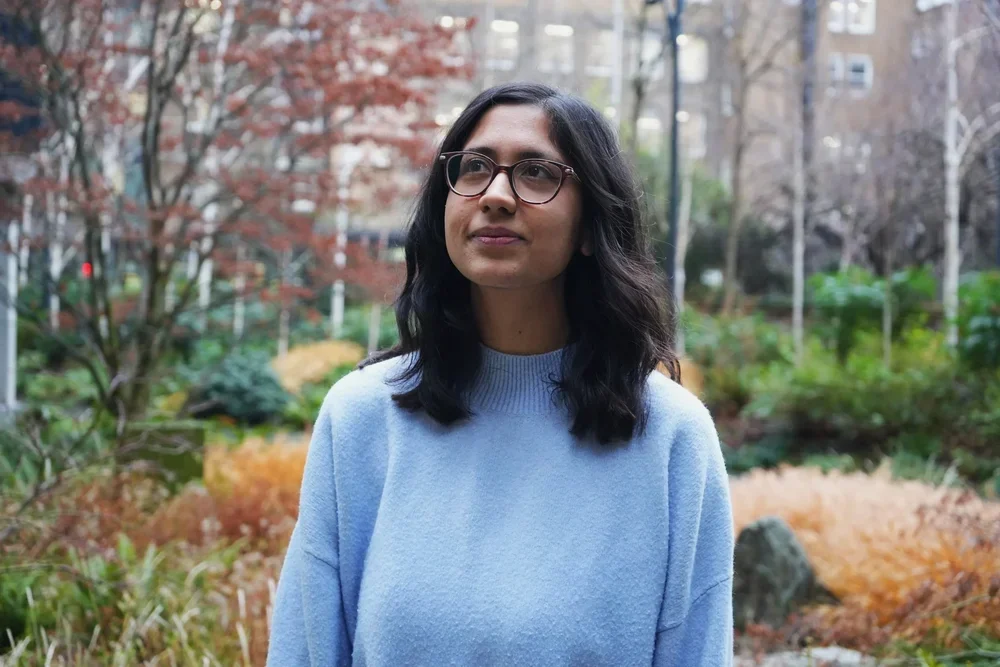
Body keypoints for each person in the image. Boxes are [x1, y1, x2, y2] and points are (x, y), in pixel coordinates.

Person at [267, 82, 734, 666]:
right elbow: (304, 651)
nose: (496, 194)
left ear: (591, 225)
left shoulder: (670, 437)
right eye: (474, 167)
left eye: (536, 173)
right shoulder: (363, 418)